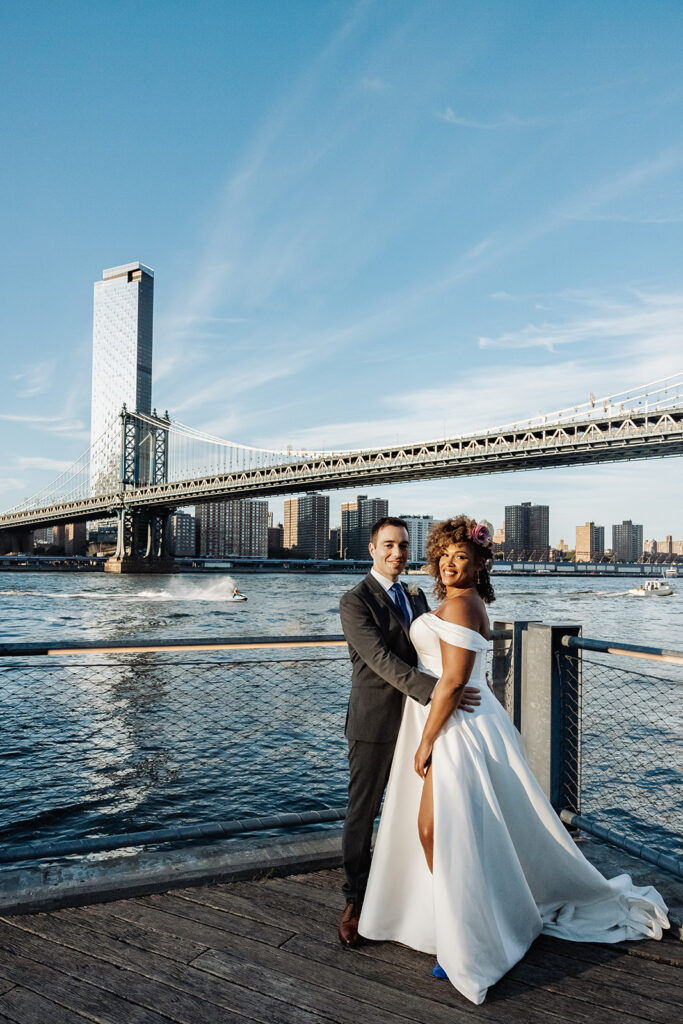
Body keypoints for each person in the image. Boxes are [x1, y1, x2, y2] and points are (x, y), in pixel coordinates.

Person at [358, 515, 669, 1005]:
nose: (450, 563)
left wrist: (424, 743)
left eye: (462, 557)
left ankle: (467, 937)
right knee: (453, 829)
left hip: (456, 728)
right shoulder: (448, 601)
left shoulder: (462, 606)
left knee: (437, 828)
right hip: (453, 722)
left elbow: (455, 682)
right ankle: (459, 921)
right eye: (444, 555)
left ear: (480, 563)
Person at [337, 517, 482, 947]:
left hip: (423, 721)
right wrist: (441, 691)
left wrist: (464, 684)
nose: (397, 553)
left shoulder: (417, 595)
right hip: (377, 722)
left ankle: (408, 897)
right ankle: (355, 900)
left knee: (417, 815)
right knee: (362, 814)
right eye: (388, 546)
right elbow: (381, 660)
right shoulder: (354, 601)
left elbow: (442, 644)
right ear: (372, 550)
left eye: (402, 545)